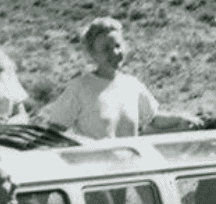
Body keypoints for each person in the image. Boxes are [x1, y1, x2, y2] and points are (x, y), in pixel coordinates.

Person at [40, 16, 198, 139]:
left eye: (117, 46)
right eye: (106, 48)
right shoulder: (79, 88)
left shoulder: (132, 85)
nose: (114, 53)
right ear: (92, 54)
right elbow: (55, 130)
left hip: (132, 173)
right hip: (96, 175)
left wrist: (182, 117)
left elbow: (153, 118)